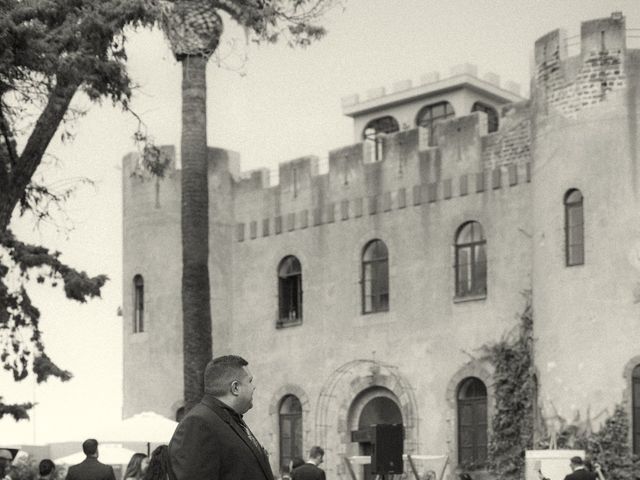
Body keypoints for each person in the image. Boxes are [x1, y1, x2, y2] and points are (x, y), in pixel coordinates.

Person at [168, 355, 274, 480]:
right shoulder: (198, 423)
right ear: (235, 388)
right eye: (250, 381)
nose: (254, 387)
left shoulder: (230, 419)